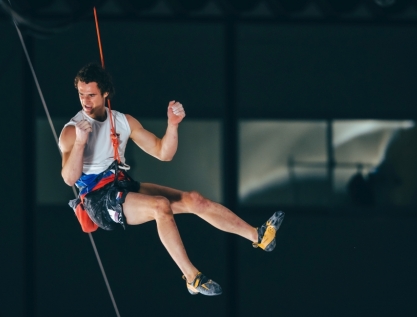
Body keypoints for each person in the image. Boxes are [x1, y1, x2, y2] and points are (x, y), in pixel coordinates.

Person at [59, 62, 284, 296]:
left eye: (91, 95)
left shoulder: (124, 122)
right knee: (160, 206)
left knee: (194, 200)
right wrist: (80, 142)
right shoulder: (73, 130)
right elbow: (68, 178)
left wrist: (172, 125)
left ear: (105, 93)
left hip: (121, 184)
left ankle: (258, 235)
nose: (85, 101)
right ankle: (191, 277)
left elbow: (163, 152)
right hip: (98, 200)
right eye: (81, 94)